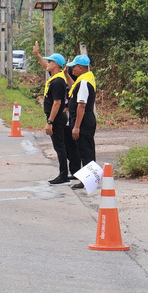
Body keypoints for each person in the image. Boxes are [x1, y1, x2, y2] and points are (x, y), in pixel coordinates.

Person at [32, 42, 69, 184]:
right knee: (60, 145)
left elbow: (57, 103)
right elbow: (45, 67)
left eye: (50, 62)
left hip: (56, 118)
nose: (47, 64)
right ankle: (64, 173)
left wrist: (50, 122)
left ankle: (63, 175)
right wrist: (37, 55)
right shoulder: (55, 76)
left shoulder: (58, 82)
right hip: (56, 117)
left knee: (59, 146)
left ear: (56, 64)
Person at [67, 54, 97, 190]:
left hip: (83, 120)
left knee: (85, 151)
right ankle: (90, 178)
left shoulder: (84, 82)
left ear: (80, 68)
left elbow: (81, 106)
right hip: (85, 119)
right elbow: (73, 87)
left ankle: (88, 180)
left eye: (74, 67)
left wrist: (77, 127)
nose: (72, 69)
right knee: (86, 148)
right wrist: (66, 74)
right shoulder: (85, 79)